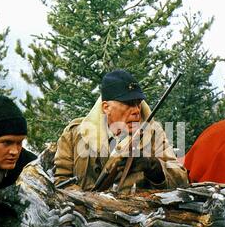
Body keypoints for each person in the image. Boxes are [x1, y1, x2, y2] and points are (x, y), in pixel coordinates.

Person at [54, 69, 189, 193]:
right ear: (106, 107)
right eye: (129, 103)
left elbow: (181, 181)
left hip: (135, 215)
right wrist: (89, 201)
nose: (136, 110)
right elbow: (61, 182)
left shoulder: (153, 133)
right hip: (81, 215)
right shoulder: (74, 133)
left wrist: (154, 167)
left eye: (138, 103)